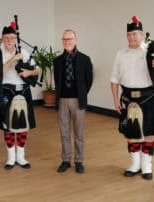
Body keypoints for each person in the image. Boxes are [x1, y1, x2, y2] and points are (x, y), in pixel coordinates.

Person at [110, 16, 154, 180]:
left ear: (141, 34)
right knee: (131, 132)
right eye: (129, 34)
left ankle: (147, 166)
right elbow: (114, 79)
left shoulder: (151, 48)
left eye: (134, 34)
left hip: (149, 97)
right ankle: (135, 164)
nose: (131, 37)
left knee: (148, 132)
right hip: (127, 98)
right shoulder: (121, 53)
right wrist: (115, 100)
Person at [0, 22, 40, 170]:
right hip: (7, 91)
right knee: (7, 125)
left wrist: (29, 72)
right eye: (7, 37)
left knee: (22, 124)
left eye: (12, 37)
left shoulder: (24, 51)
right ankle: (10, 158)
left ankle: (21, 157)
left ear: (15, 38)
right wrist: (14, 58)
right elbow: (0, 72)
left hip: (23, 90)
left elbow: (37, 70)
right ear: (2, 38)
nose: (9, 40)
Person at [53, 29, 93, 173]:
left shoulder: (84, 59)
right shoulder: (57, 61)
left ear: (75, 40)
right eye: (64, 39)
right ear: (62, 41)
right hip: (63, 100)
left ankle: (79, 160)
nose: (67, 42)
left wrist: (81, 94)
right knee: (64, 132)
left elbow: (89, 80)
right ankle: (66, 159)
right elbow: (57, 81)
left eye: (70, 39)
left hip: (78, 100)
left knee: (79, 133)